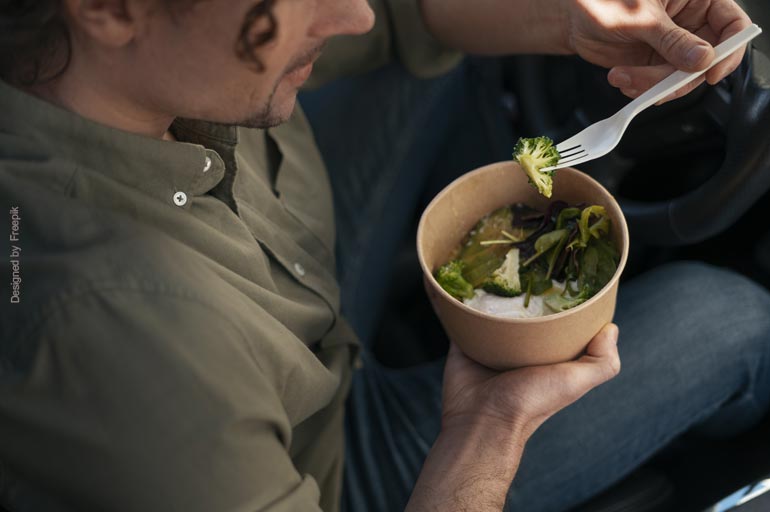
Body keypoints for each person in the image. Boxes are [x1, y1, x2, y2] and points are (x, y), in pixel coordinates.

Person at [0, 1, 768, 512]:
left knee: (436, 66)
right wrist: (489, 428)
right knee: (735, 318)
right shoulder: (118, 349)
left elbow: (402, 13)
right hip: (329, 476)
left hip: (313, 320)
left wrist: (576, 21)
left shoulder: (126, 71)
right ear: (110, 8)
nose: (350, 11)